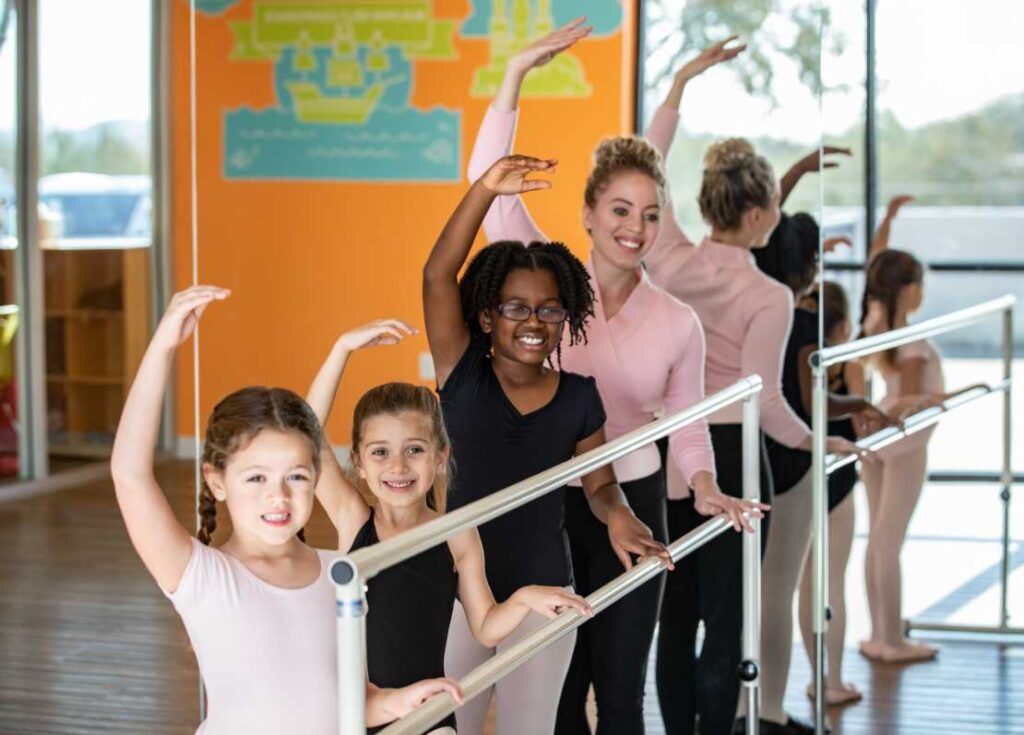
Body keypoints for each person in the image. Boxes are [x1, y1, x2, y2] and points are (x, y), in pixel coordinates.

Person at [465, 24, 765, 735]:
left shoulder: (677, 320)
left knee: (623, 692)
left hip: (634, 503)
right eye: (621, 211)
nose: (636, 227)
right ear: (590, 216)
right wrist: (515, 76)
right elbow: (488, 184)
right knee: (562, 696)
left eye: (651, 215)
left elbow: (686, 426)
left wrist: (704, 485)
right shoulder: (552, 286)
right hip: (548, 507)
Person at [109, 286, 461, 734]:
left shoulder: (342, 574)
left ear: (316, 477)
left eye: (295, 476)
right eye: (256, 478)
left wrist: (399, 701)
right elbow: (129, 474)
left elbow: (355, 704)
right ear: (217, 481)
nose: (278, 496)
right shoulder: (203, 577)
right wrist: (162, 345)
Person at [642, 72, 865, 734]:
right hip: (733, 460)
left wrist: (678, 86)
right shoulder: (768, 296)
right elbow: (767, 403)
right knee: (727, 619)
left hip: (671, 457)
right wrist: (821, 443)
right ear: (762, 214)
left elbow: (647, 166)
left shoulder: (670, 259)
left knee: (676, 615)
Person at [423, 155, 671, 734]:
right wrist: (485, 189)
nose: (533, 321)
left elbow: (599, 482)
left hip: (543, 590)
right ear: (486, 317)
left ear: (566, 318)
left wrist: (619, 514)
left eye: (549, 309)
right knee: (441, 726)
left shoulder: (580, 396)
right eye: (515, 307)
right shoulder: (462, 374)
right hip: (456, 590)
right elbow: (438, 274)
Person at [305, 320, 594, 733]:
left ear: (440, 457)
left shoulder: (456, 533)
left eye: (415, 450)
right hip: (360, 712)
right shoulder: (354, 522)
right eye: (380, 452)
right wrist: (341, 347)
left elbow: (485, 625)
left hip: (429, 715)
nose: (398, 466)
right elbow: (306, 436)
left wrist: (526, 597)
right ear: (360, 463)